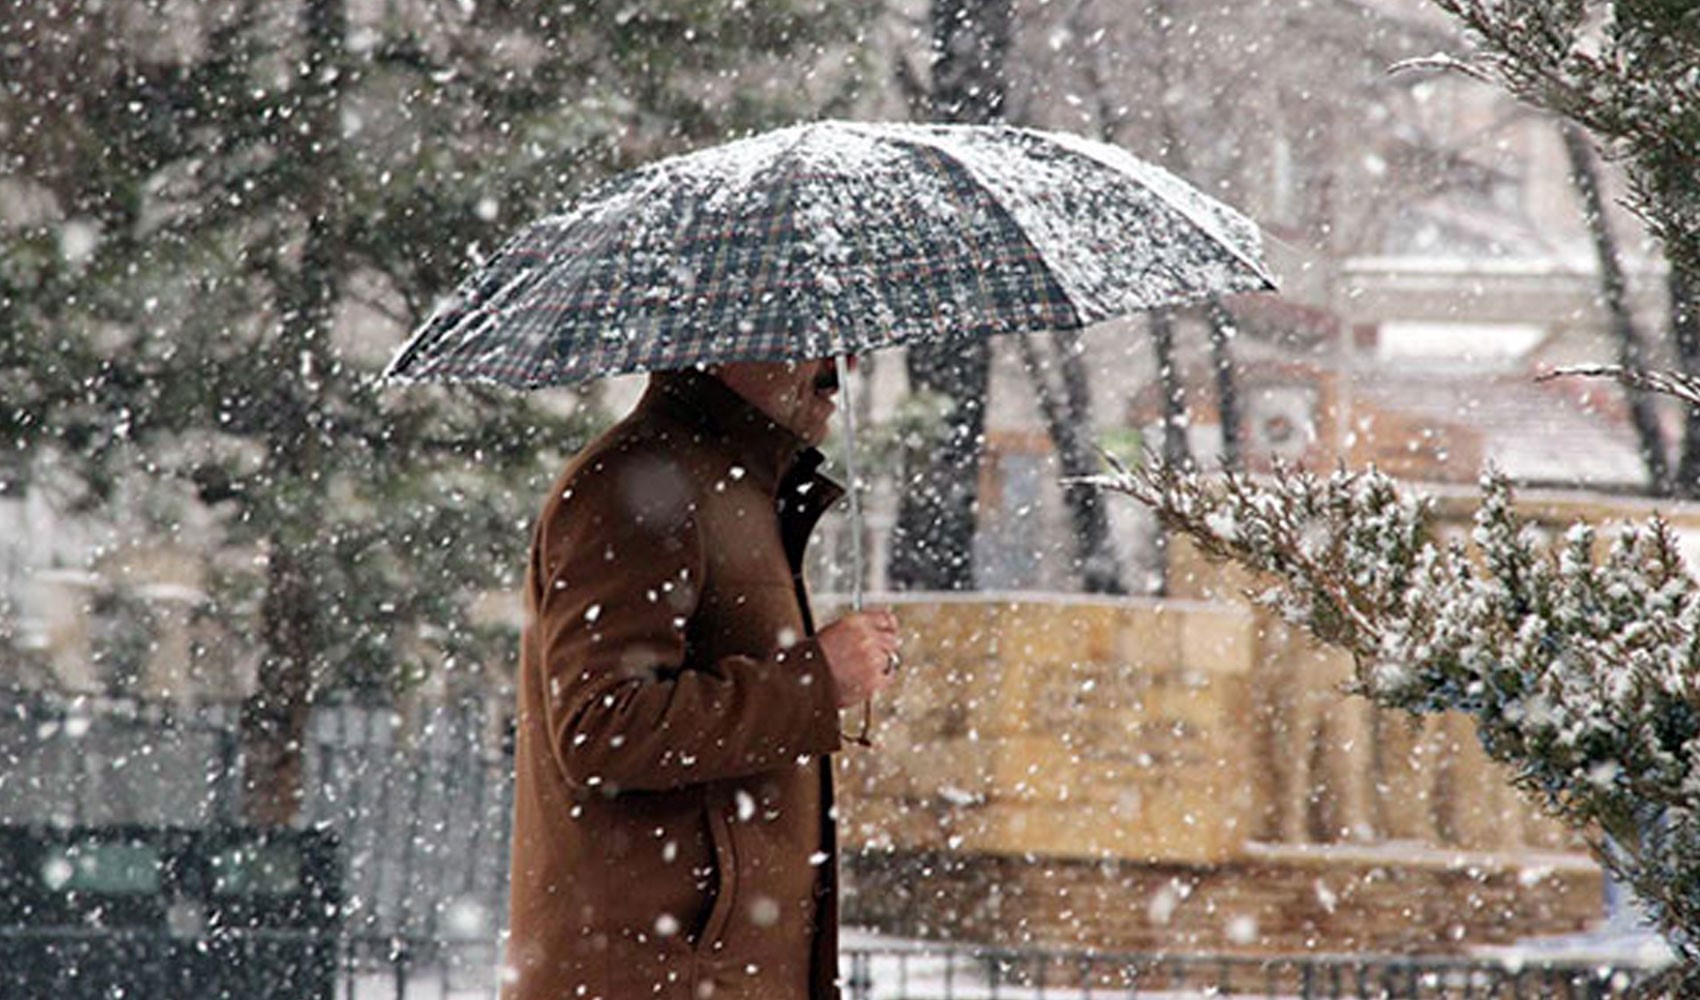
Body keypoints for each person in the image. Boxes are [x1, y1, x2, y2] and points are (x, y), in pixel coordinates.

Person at [503, 357, 901, 1000]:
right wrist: (815, 683)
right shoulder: (635, 484)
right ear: (732, 339)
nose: (843, 367)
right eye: (815, 341)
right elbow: (600, 728)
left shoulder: (732, 485)